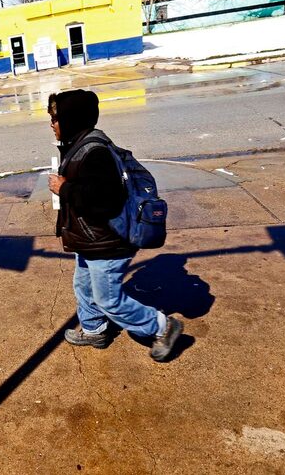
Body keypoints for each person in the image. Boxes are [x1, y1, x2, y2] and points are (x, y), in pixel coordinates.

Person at [46, 89, 183, 362]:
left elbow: (106, 201)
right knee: (83, 286)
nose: (52, 124)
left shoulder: (94, 152)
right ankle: (94, 329)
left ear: (72, 119)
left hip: (107, 241)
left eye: (55, 118)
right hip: (90, 238)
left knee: (110, 300)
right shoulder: (78, 144)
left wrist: (65, 189)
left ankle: (163, 327)